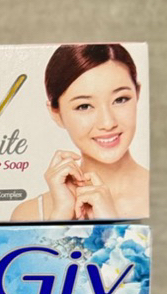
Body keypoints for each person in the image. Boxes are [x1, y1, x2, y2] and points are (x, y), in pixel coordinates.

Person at [11, 43, 148, 222]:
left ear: (137, 94)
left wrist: (109, 226)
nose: (107, 123)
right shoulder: (31, 214)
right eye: (84, 106)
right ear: (56, 113)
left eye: (120, 99)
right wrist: (60, 215)